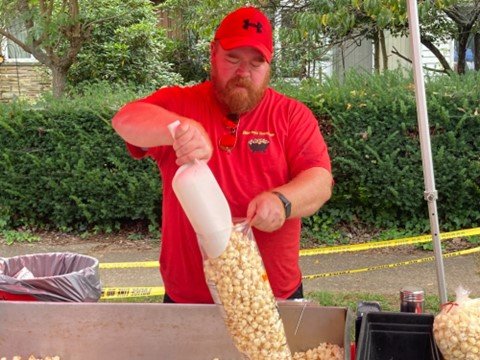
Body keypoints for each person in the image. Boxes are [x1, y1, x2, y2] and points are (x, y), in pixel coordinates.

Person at [111, 6, 333, 303]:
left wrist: (282, 202)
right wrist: (178, 128)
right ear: (212, 53)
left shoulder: (292, 115)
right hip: (190, 299)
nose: (243, 73)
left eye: (256, 63)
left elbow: (320, 181)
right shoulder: (180, 103)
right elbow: (125, 119)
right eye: (232, 58)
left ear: (269, 65)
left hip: (273, 296)